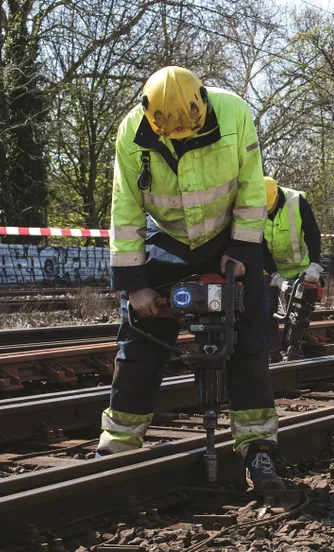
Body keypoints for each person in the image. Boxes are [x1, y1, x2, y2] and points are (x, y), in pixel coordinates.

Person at [102, 66, 283, 492]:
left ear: (203, 102)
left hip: (228, 237)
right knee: (139, 341)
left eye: (189, 128)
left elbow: (252, 189)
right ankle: (118, 444)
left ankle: (259, 450)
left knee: (249, 343)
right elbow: (125, 211)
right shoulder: (131, 133)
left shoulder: (235, 113)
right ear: (151, 118)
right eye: (171, 132)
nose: (180, 136)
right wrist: (135, 285)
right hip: (169, 238)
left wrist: (241, 252)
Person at [262, 177, 323, 357]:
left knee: (298, 314)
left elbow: (313, 234)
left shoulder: (297, 202)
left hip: (299, 268)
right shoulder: (254, 206)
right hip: (269, 268)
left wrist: (315, 265)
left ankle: (292, 349)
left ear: (276, 198)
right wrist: (276, 276)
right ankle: (271, 353)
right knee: (266, 310)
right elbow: (259, 246)